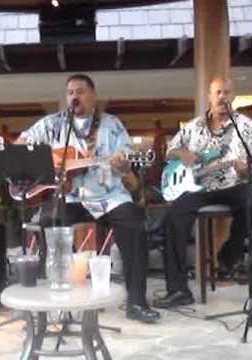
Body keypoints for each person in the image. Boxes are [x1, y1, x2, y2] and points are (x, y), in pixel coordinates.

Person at [17, 74, 160, 323]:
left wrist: (124, 165)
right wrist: (45, 164)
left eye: (80, 91)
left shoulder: (112, 124)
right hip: (71, 197)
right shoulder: (52, 124)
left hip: (109, 196)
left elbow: (126, 165)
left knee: (133, 223)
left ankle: (136, 302)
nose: (75, 96)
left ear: (93, 96)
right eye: (70, 92)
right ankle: (55, 300)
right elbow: (21, 144)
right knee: (48, 222)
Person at [154, 78, 252, 309]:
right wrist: (182, 153)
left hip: (235, 184)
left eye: (226, 92)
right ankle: (178, 290)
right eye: (217, 92)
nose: (222, 97)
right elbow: (170, 151)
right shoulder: (193, 126)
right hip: (199, 188)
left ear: (233, 97)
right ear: (209, 97)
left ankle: (228, 258)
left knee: (251, 203)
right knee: (173, 219)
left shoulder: (247, 126)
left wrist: (247, 168)